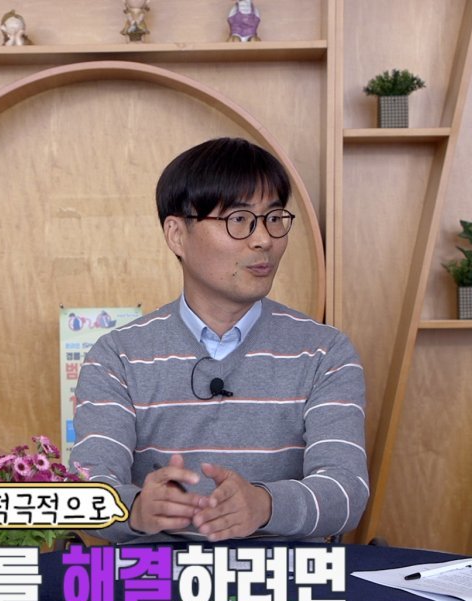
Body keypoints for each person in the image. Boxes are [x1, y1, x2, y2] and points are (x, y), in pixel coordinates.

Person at [71, 137, 368, 544]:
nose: (264, 239)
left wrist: (264, 505)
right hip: (156, 576)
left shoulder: (325, 352)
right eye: (239, 219)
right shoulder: (117, 357)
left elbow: (347, 492)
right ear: (177, 234)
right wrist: (136, 509)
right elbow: (86, 493)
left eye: (274, 218)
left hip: (286, 578)